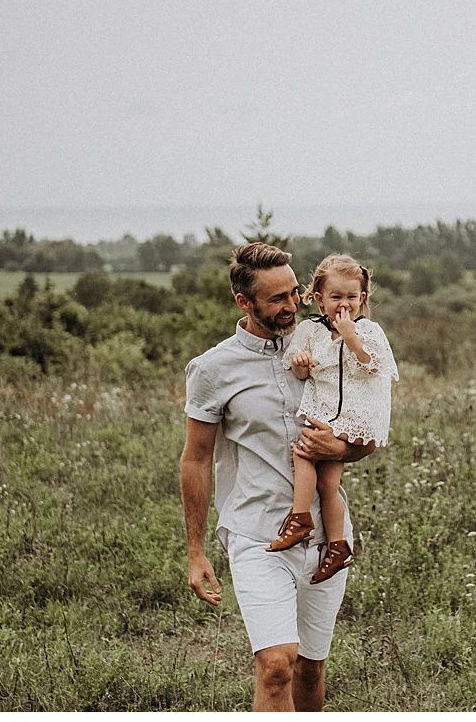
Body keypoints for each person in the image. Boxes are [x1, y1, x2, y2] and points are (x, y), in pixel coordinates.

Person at [179, 242, 376, 711]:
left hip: (327, 536)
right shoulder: (212, 369)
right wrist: (195, 550)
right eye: (276, 299)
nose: (291, 305)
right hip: (257, 537)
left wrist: (341, 449)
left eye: (293, 293)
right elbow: (196, 459)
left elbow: (367, 432)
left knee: (310, 667)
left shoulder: (325, 345)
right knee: (275, 667)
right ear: (243, 302)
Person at [267, 255, 398, 585]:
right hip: (324, 411)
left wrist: (350, 336)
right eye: (335, 296)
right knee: (328, 484)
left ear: (362, 298)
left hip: (352, 416)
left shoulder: (367, 330)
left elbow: (375, 366)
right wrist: (301, 362)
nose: (344, 304)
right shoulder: (309, 330)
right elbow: (300, 373)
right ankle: (338, 547)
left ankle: (300, 520)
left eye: (351, 297)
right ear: (318, 298)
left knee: (303, 453)